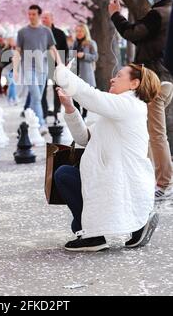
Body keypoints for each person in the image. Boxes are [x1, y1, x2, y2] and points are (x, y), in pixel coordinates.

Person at [54, 62, 161, 252]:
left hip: (120, 180)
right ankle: (135, 225)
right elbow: (84, 138)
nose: (112, 78)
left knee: (65, 174)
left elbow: (91, 96)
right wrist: (70, 108)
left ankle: (94, 235)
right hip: (116, 179)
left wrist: (64, 75)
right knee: (65, 174)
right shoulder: (117, 111)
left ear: (134, 84)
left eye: (119, 76)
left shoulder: (129, 105)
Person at [109, 0, 173, 200]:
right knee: (152, 131)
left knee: (156, 133)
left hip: (154, 78)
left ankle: (164, 184)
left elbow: (132, 33)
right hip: (165, 78)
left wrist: (116, 15)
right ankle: (153, 179)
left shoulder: (159, 14)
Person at [13, 5, 61, 134]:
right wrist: (15, 69)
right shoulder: (22, 32)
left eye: (33, 14)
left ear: (39, 15)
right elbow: (17, 52)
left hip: (42, 68)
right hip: (28, 68)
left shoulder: (46, 31)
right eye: (29, 14)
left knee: (37, 98)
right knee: (36, 95)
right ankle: (41, 123)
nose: (31, 16)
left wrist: (60, 65)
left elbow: (52, 49)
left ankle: (32, 121)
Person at [41, 11, 69, 121]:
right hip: (42, 64)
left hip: (57, 64)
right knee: (41, 89)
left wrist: (62, 64)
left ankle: (57, 112)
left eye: (46, 18)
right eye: (42, 18)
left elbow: (65, 49)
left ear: (52, 19)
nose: (44, 20)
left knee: (57, 89)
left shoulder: (59, 33)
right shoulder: (39, 32)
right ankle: (44, 111)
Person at [72, 24, 98, 119]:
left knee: (85, 94)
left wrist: (84, 55)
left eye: (81, 31)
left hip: (86, 73)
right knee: (74, 94)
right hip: (75, 73)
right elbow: (70, 57)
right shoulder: (74, 43)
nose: (78, 33)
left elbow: (95, 57)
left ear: (85, 32)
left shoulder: (91, 43)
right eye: (77, 31)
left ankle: (84, 114)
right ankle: (78, 113)